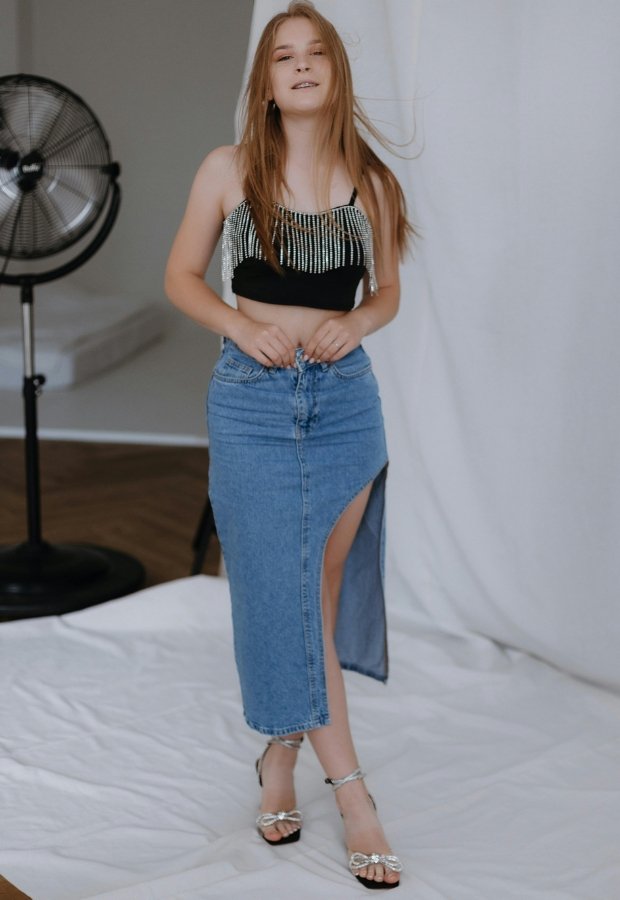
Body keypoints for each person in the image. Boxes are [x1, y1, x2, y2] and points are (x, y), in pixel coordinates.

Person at [165, 1, 415, 889]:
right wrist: (237, 324)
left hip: (346, 406)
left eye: (316, 54)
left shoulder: (372, 183)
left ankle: (279, 757)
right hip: (254, 405)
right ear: (265, 83)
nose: (301, 66)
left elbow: (386, 292)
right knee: (287, 593)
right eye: (283, 56)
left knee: (322, 588)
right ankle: (352, 794)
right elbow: (180, 277)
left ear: (336, 74)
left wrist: (357, 325)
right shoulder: (229, 170)